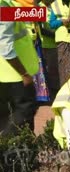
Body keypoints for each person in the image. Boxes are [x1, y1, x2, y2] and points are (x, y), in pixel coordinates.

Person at [0, 0, 39, 137]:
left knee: (6, 117)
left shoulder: (10, 3)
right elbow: (6, 47)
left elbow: (36, 14)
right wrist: (25, 74)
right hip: (15, 76)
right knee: (23, 117)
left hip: (8, 74)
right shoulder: (4, 5)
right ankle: (21, 151)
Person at [39, 0, 60, 100]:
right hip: (47, 44)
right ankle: (53, 92)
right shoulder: (39, 7)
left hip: (59, 42)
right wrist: (56, 35)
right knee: (51, 70)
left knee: (57, 68)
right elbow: (41, 29)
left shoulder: (55, 5)